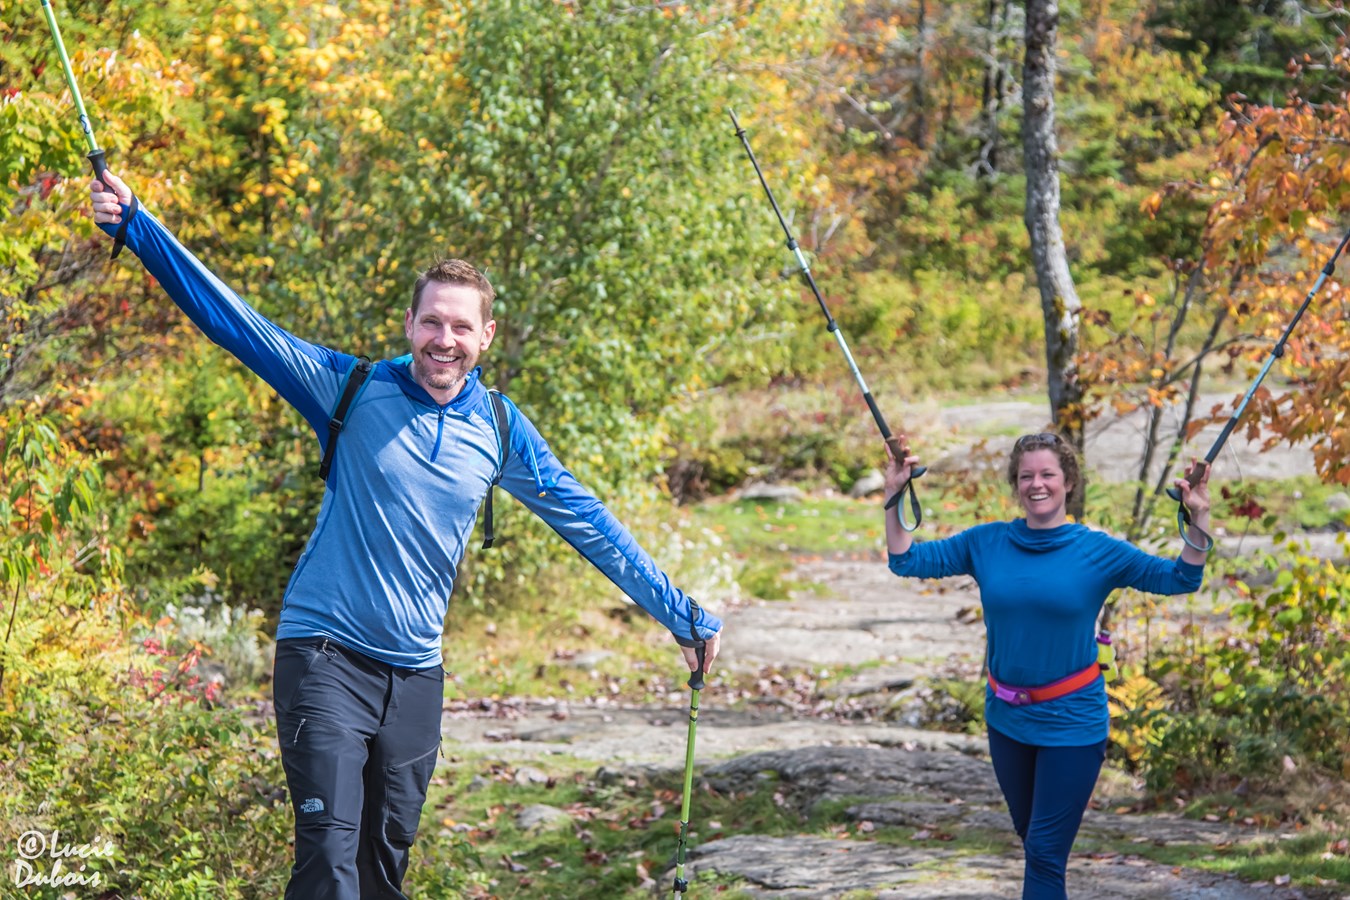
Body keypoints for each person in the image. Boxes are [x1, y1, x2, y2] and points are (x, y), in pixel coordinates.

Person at [90, 171, 722, 900]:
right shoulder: (349, 388)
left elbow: (590, 524)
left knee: (382, 873)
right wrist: (137, 226)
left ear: (486, 336)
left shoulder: (503, 430)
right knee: (328, 862)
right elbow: (235, 321)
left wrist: (681, 613)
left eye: (461, 327)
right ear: (409, 324)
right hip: (323, 656)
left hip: (416, 678)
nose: (443, 341)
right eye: (432, 323)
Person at [882, 432, 1211, 900]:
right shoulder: (986, 543)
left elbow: (1181, 577)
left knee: (1043, 852)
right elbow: (905, 560)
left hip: (1073, 723)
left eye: (1047, 475)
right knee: (1035, 845)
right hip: (1007, 721)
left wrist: (1197, 516)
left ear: (1068, 481)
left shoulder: (1097, 550)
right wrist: (894, 494)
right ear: (1016, 484)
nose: (1037, 485)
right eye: (1026, 476)